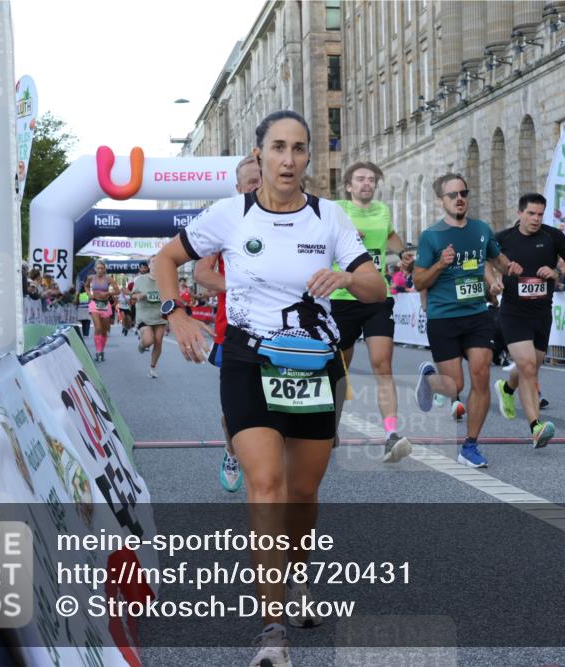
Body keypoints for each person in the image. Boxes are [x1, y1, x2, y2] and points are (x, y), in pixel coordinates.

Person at [154, 110, 385, 667]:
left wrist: (348, 276)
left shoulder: (328, 218)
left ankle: (297, 581)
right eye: (278, 148)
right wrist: (175, 312)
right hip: (248, 362)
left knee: (303, 493)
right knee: (265, 483)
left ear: (308, 158)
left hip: (312, 367)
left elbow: (376, 287)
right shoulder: (229, 215)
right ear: (259, 156)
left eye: (299, 149)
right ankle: (272, 627)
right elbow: (166, 258)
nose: (288, 159)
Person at [412, 172, 523, 468]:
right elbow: (419, 280)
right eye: (453, 195)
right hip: (444, 318)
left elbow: (497, 259)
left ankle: (470, 446)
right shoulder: (431, 237)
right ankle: (431, 381)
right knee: (454, 386)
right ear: (442, 201)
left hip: (477, 314)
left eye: (464, 193)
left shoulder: (481, 229)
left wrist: (511, 268)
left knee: (481, 375)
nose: (460, 198)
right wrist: (440, 264)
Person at [331, 161, 412, 463]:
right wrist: (347, 236)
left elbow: (391, 236)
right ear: (349, 186)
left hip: (377, 296)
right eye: (360, 180)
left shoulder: (382, 210)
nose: (366, 184)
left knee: (383, 365)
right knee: (340, 369)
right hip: (342, 297)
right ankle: (332, 426)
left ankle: (391, 434)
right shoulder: (335, 209)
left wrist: (403, 253)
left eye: (371, 180)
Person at [193, 154, 262, 493]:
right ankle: (232, 449)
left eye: (263, 179)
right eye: (252, 182)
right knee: (236, 411)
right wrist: (243, 285)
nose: (259, 187)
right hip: (233, 332)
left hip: (287, 332)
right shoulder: (226, 222)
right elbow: (202, 272)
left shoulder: (300, 218)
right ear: (239, 189)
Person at [489, 193, 565, 448]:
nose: (536, 219)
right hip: (513, 312)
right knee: (528, 366)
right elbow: (487, 262)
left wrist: (557, 271)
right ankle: (536, 427)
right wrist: (493, 282)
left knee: (531, 366)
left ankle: (507, 389)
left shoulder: (551, 236)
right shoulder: (503, 238)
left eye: (540, 214)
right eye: (531, 213)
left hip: (542, 312)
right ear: (520, 213)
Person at [130, 259, 168, 379]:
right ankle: (142, 345)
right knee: (148, 341)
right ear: (149, 265)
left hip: (160, 315)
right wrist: (138, 296)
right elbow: (132, 296)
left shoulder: (165, 279)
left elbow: (171, 296)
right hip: (144, 315)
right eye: (153, 262)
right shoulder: (140, 280)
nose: (156, 264)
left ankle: (152, 368)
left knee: (158, 340)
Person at [84, 260, 119, 362]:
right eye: (98, 268)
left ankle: (102, 350)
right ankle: (98, 351)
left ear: (105, 269)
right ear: (95, 269)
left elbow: (117, 290)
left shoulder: (108, 279)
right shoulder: (91, 278)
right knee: (98, 327)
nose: (100, 270)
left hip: (105, 305)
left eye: (102, 268)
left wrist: (108, 293)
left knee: (104, 331)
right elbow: (86, 286)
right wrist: (89, 294)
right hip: (94, 304)